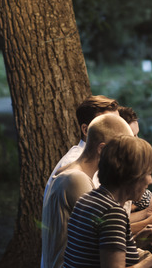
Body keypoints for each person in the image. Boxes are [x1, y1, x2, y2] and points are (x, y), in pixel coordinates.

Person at [64, 136, 152, 268]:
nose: (150, 181)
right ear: (132, 176)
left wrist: (136, 241)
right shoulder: (112, 213)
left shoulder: (86, 200)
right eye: (148, 173)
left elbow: (97, 254)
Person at [41, 114, 133, 268]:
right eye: (122, 150)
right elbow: (108, 235)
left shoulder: (74, 174)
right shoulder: (76, 179)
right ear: (102, 149)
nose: (126, 157)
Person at [44, 95, 119, 200]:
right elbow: (96, 215)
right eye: (109, 125)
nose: (120, 130)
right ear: (86, 130)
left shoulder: (100, 159)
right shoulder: (75, 167)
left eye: (120, 123)